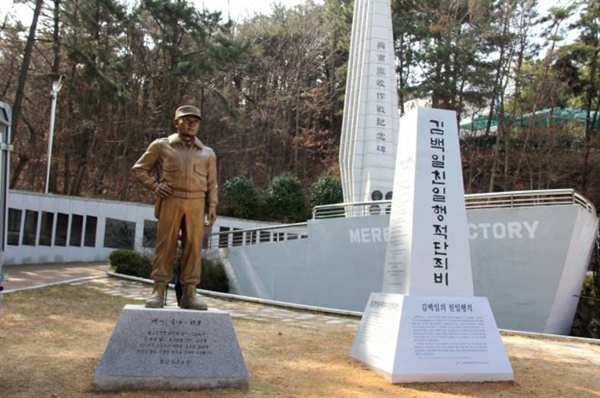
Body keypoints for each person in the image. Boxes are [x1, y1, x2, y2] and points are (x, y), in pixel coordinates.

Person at [132, 105, 218, 310]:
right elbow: (139, 169)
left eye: (195, 121)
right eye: (186, 119)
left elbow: (212, 182)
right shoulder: (162, 146)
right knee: (165, 246)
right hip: (171, 200)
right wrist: (155, 186)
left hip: (197, 203)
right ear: (176, 122)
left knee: (193, 248)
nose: (191, 123)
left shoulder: (207, 153)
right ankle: (158, 291)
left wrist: (212, 205)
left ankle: (189, 293)